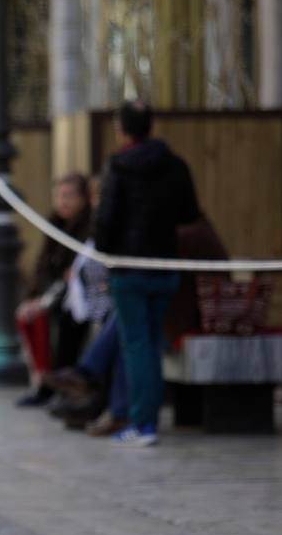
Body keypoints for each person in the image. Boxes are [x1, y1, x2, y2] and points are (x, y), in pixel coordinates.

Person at [93, 101, 200, 446]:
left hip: (130, 270)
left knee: (136, 346)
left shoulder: (119, 167)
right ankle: (145, 419)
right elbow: (189, 213)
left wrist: (106, 251)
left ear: (121, 130)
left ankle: (143, 423)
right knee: (150, 345)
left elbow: (106, 221)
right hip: (165, 267)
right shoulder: (176, 165)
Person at [14, 173, 92, 406]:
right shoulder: (55, 224)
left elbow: (76, 271)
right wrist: (34, 297)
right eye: (58, 196)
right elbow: (43, 265)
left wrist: (46, 298)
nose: (62, 202)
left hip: (78, 295)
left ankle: (56, 383)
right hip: (55, 291)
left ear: (83, 199)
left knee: (58, 322)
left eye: (69, 196)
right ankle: (43, 379)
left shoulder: (88, 225)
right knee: (27, 315)